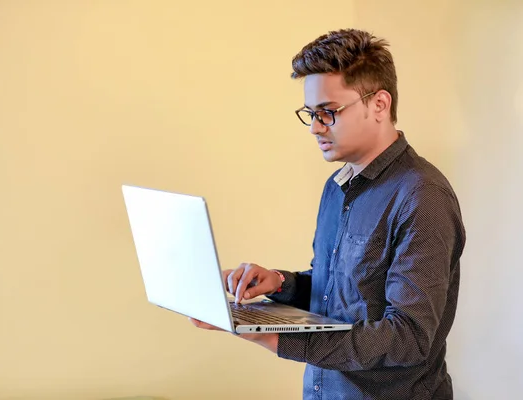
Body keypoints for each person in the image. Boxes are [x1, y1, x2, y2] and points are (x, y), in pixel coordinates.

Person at [190, 28, 466, 400]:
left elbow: (407, 338)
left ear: (380, 104)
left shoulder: (422, 197)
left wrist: (265, 335)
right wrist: (278, 283)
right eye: (311, 113)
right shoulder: (337, 187)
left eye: (329, 112)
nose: (316, 127)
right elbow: (340, 297)